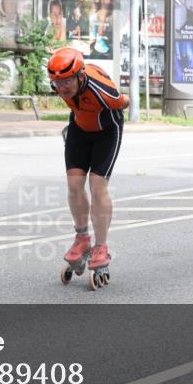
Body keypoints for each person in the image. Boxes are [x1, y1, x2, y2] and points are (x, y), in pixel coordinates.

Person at [47, 47, 129, 286]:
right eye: (56, 83)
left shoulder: (103, 90)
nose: (61, 88)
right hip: (79, 130)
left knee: (97, 186)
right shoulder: (61, 87)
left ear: (80, 75)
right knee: (74, 184)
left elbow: (124, 102)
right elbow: (74, 102)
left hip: (107, 132)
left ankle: (101, 246)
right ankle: (82, 238)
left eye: (66, 82)